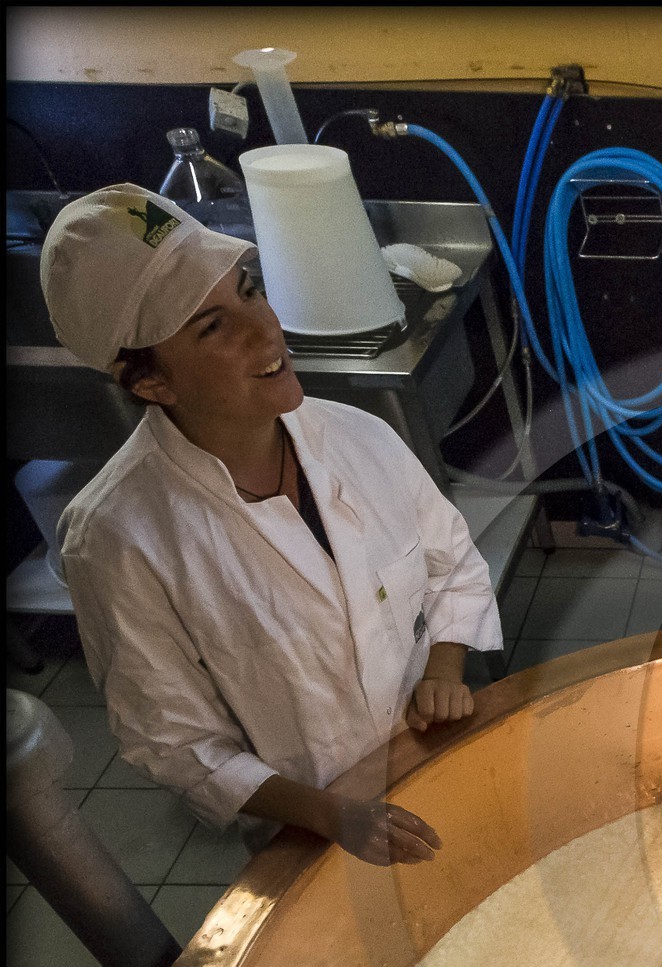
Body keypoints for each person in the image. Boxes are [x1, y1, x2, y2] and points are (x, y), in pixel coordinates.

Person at [41, 184, 502, 866]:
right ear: (151, 383)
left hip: (441, 759)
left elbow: (451, 563)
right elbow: (170, 738)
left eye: (249, 291)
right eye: (212, 326)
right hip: (313, 834)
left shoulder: (358, 436)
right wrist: (330, 814)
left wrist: (444, 663)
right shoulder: (118, 539)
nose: (266, 330)